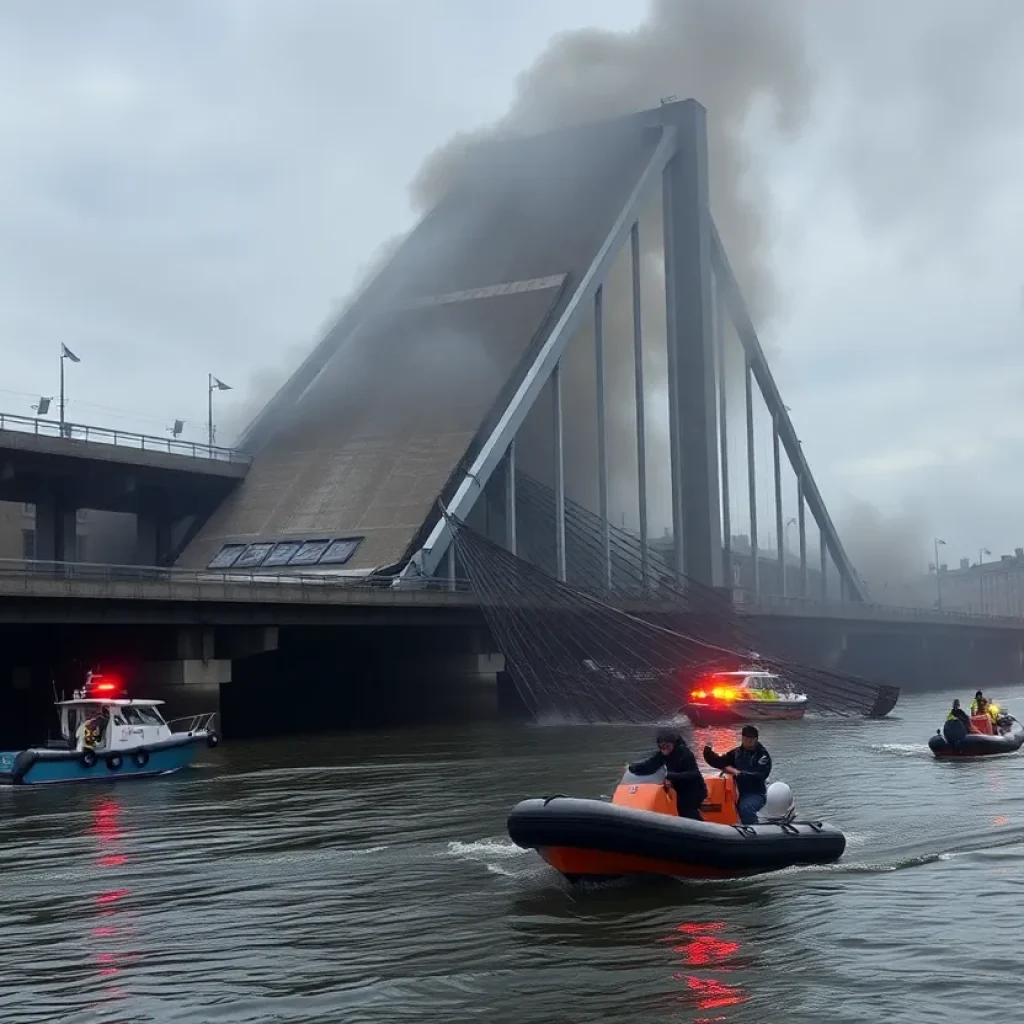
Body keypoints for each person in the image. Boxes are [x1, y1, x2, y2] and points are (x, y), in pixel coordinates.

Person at [628, 729, 708, 820]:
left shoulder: (685, 753)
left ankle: (703, 829)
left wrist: (670, 776)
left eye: (667, 746)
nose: (665, 749)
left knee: (686, 810)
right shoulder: (662, 755)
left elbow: (694, 773)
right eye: (662, 747)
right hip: (679, 789)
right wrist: (632, 768)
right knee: (677, 808)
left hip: (695, 789)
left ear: (673, 744)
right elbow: (650, 766)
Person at [703, 725, 772, 825]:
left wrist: (738, 773)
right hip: (736, 792)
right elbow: (719, 762)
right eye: (747, 737)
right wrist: (708, 750)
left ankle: (753, 834)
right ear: (742, 738)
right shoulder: (736, 753)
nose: (749, 740)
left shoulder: (762, 755)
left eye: (752, 738)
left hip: (755, 793)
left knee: (746, 808)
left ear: (756, 739)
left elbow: (760, 776)